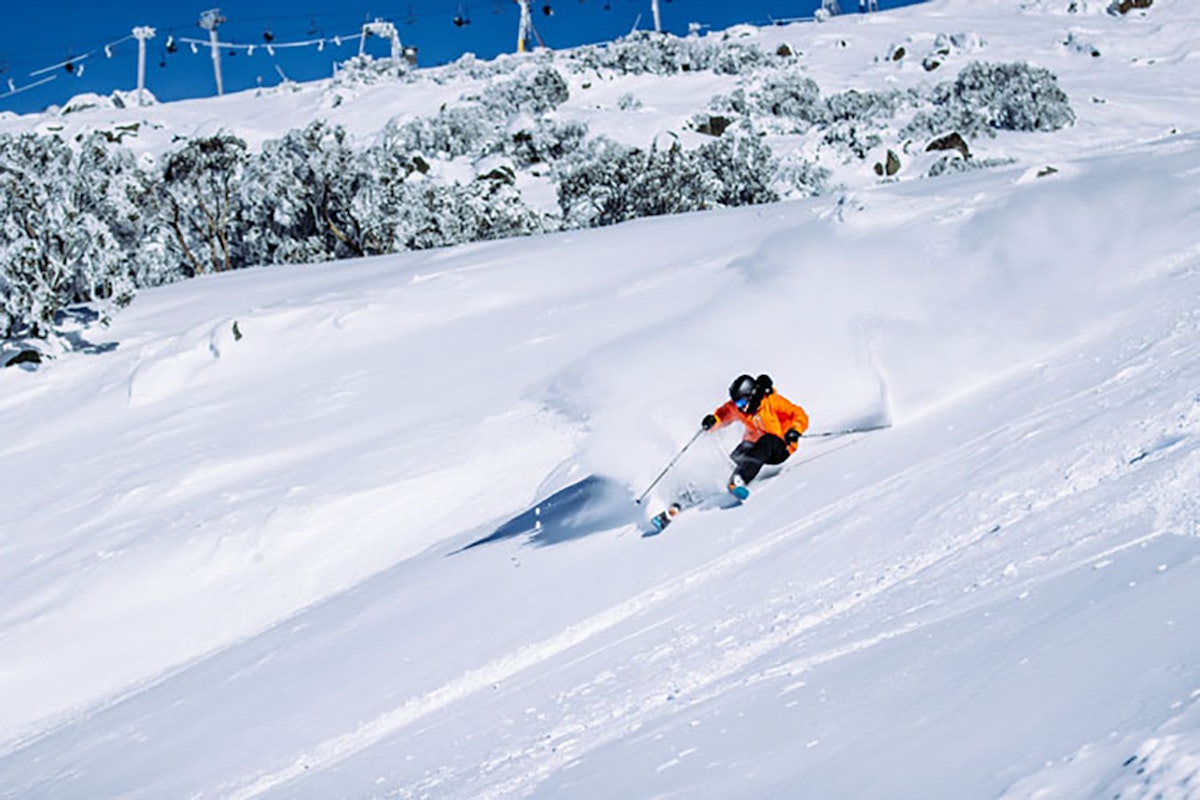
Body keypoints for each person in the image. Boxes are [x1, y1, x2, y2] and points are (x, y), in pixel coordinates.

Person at [701, 373, 809, 499]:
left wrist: (795, 430)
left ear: (751, 396)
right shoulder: (739, 408)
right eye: (736, 403)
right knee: (738, 454)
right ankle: (705, 487)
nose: (739, 407)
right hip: (755, 446)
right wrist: (713, 421)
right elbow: (722, 415)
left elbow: (798, 414)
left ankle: (739, 479)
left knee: (767, 441)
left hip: (780, 447)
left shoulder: (771, 402)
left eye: (741, 402)